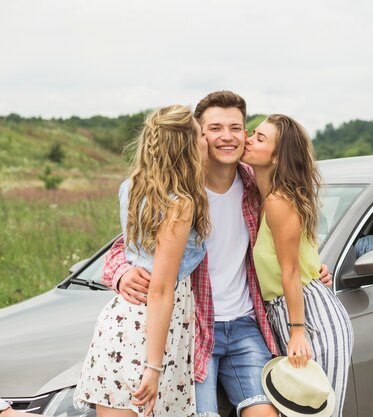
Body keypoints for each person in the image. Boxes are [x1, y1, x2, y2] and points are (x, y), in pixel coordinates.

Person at [102, 91, 331, 417]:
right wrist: (120, 272)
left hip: (245, 325)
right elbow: (129, 246)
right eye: (215, 128)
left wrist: (313, 269)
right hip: (194, 330)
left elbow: (288, 238)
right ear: (199, 135)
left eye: (236, 127)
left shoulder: (255, 185)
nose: (227, 137)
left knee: (268, 412)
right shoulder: (179, 192)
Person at [74, 105, 210, 416]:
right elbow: (160, 289)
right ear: (187, 146)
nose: (207, 141)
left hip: (121, 322)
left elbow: (134, 252)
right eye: (201, 135)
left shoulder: (132, 188)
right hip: (149, 333)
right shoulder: (180, 205)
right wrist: (153, 365)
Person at [243, 114, 353, 417]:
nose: (249, 139)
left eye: (260, 138)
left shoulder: (280, 202)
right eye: (253, 133)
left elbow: (290, 271)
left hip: (310, 318)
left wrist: (297, 331)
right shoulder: (259, 198)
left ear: (277, 157)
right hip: (287, 314)